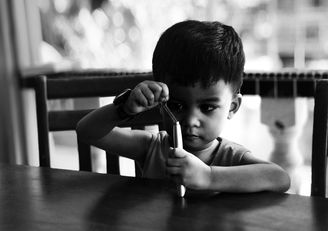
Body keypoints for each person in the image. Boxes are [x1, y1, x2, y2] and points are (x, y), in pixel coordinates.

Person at [76, 20, 290, 193]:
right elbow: (86, 131)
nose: (190, 120)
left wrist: (209, 177)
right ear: (162, 103)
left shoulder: (232, 158)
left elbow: (280, 178)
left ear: (232, 107)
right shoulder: (153, 149)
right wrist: (124, 109)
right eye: (177, 105)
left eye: (207, 107)